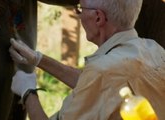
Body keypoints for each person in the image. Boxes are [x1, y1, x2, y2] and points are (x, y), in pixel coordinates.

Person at [9, 0, 165, 119]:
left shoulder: (102, 72)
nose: (79, 14)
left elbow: (100, 80)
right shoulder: (154, 49)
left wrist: (27, 91)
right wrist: (39, 59)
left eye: (80, 9)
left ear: (98, 18)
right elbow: (100, 84)